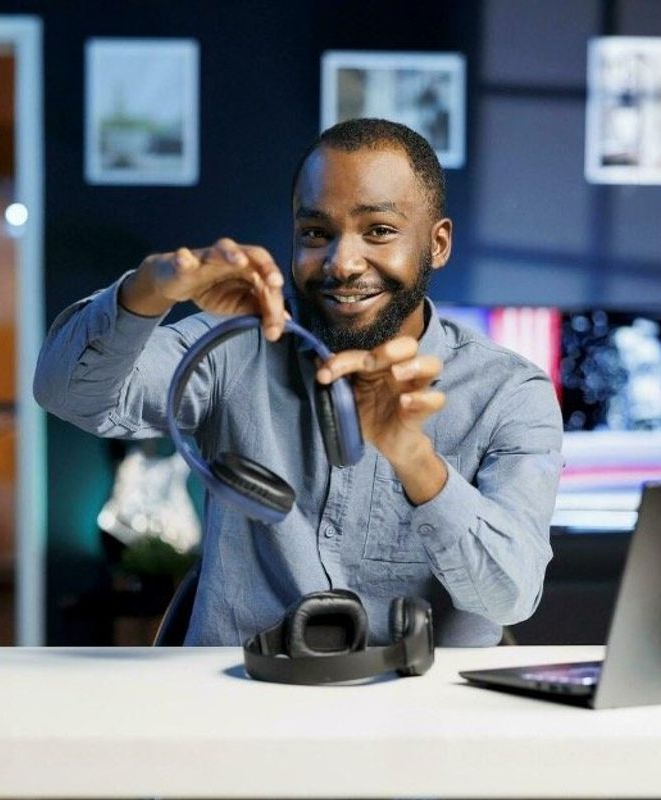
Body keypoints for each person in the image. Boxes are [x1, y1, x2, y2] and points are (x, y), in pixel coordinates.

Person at [35, 118, 563, 646]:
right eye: (316, 233)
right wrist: (152, 287)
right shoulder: (232, 345)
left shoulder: (510, 394)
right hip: (236, 704)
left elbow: (509, 595)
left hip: (418, 717)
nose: (342, 262)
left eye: (378, 230)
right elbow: (68, 393)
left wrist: (415, 460)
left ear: (438, 243)